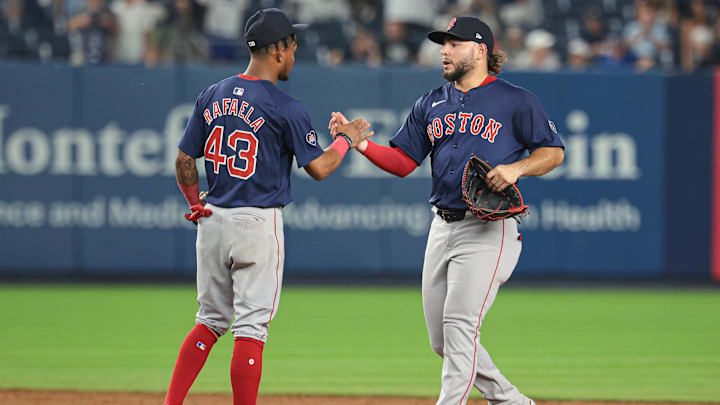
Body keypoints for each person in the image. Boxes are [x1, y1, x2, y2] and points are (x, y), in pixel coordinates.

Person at [330, 16, 564, 405]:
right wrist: (361, 145)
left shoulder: (516, 100)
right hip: (442, 226)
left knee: (459, 327)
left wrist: (516, 168)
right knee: (444, 341)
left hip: (489, 229)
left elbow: (553, 151)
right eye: (443, 43)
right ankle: (511, 401)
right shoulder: (431, 102)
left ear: (481, 50)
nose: (444, 50)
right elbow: (405, 162)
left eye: (454, 43)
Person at [165, 8, 373, 405]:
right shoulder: (285, 106)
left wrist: (194, 203)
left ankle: (170, 403)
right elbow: (321, 169)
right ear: (277, 51)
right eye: (292, 46)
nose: (294, 53)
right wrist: (346, 138)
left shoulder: (212, 94)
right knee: (251, 329)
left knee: (208, 322)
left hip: (212, 220)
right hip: (256, 223)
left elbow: (183, 161)